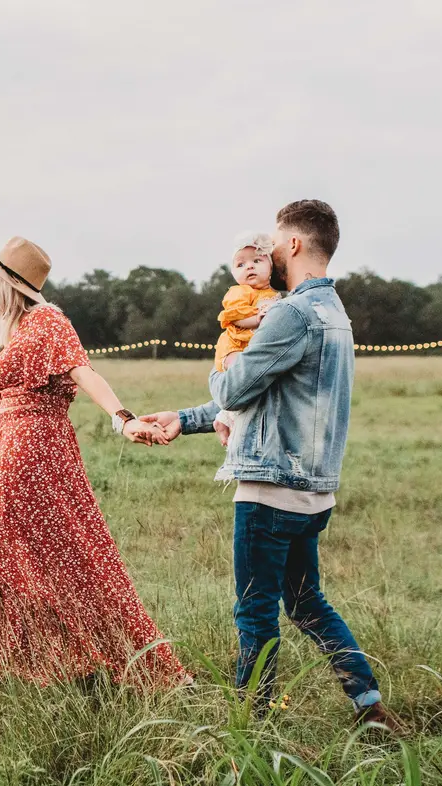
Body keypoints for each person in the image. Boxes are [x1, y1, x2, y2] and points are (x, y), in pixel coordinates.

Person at [141, 201, 400, 729]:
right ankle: (368, 706)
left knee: (255, 613)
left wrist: (226, 365)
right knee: (307, 604)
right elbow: (270, 396)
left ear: (296, 245)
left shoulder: (289, 313)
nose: (270, 253)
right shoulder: (335, 315)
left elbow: (236, 386)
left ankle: (252, 727)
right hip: (314, 493)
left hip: (269, 491)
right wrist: (186, 419)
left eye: (276, 244)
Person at [0, 236, 188, 686]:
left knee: (67, 557)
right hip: (10, 454)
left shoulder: (48, 321)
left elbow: (83, 370)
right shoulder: (18, 331)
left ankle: (85, 661)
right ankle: (15, 667)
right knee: (13, 559)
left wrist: (123, 418)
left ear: (7, 283)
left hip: (35, 454)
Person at [212, 232, 281, 439]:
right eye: (241, 265)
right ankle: (228, 421)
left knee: (253, 383)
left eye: (257, 261)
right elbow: (236, 317)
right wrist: (258, 319)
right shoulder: (240, 291)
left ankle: (224, 419)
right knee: (242, 376)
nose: (249, 267)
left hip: (250, 347)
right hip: (233, 347)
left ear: (271, 267)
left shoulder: (273, 295)